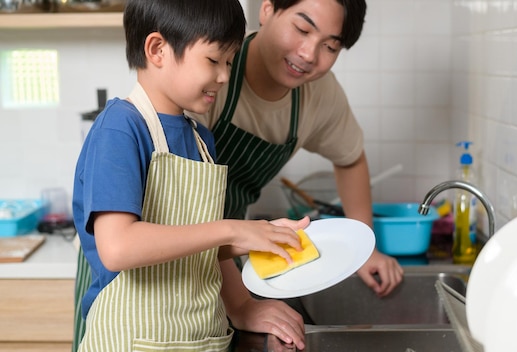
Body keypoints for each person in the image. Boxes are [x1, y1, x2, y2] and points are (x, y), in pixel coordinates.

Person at [72, 0, 309, 350]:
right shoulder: (121, 128)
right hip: (131, 340)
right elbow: (118, 247)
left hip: (200, 338)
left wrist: (256, 247)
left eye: (229, 62)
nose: (225, 75)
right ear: (157, 49)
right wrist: (232, 227)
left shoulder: (200, 139)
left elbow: (201, 245)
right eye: (214, 60)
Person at [188, 0, 404, 336]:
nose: (308, 54)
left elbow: (350, 158)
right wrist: (240, 305)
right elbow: (187, 212)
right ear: (267, 9)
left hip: (222, 254)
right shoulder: (214, 74)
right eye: (302, 29)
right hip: (165, 247)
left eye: (330, 46)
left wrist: (365, 246)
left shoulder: (319, 95)